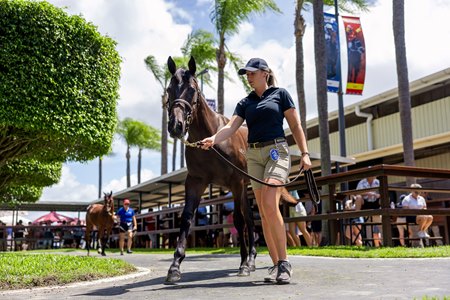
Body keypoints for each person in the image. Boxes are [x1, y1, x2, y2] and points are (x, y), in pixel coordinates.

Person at [201, 57, 312, 284]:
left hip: (277, 151)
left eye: (252, 73)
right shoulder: (245, 102)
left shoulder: (280, 95)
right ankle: (275, 265)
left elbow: (295, 125)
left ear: (265, 73)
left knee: (271, 204)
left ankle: (284, 263)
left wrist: (305, 153)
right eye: (247, 74)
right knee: (263, 212)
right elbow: (231, 127)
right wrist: (213, 139)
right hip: (253, 156)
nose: (248, 77)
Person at [354, 176, 382, 247]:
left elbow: (382, 192)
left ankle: (385, 210)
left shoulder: (378, 182)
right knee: (358, 197)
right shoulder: (362, 182)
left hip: (376, 202)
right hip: (365, 203)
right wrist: (368, 193)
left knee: (384, 197)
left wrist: (377, 195)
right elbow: (357, 193)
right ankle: (357, 216)